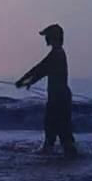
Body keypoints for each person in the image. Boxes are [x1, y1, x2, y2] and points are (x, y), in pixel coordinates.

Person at [16, 23, 79, 157]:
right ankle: (59, 154)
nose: (45, 39)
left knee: (59, 130)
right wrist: (29, 81)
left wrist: (23, 80)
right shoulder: (57, 53)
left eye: (47, 36)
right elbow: (43, 70)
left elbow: (40, 68)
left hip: (58, 98)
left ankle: (56, 154)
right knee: (58, 129)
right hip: (59, 97)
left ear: (53, 37)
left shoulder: (57, 54)